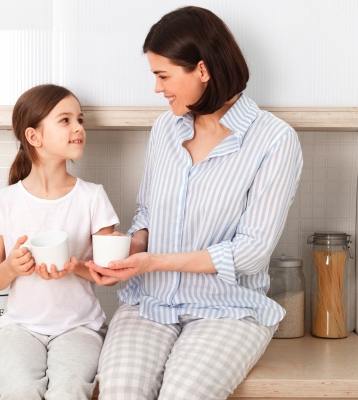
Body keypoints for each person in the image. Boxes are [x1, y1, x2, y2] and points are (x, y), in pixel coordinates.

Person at [86, 6, 303, 400]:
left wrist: (155, 261)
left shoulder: (274, 140)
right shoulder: (165, 128)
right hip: (149, 301)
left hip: (226, 309)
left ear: (202, 70)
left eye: (163, 76)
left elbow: (251, 253)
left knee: (183, 394)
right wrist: (131, 250)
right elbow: (149, 213)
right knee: (119, 391)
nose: (157, 88)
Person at [0, 84, 119, 400]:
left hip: (79, 328)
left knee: (68, 391)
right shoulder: (4, 201)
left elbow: (109, 275)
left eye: (79, 119)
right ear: (34, 137)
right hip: (20, 330)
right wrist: (12, 266)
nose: (79, 127)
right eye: (65, 120)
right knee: (20, 392)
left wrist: (76, 266)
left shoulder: (92, 197)